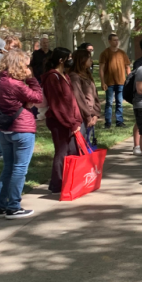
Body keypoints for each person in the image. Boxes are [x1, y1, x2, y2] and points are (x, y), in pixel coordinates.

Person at [0, 49, 44, 219]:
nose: (26, 68)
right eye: (25, 65)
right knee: (19, 169)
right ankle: (13, 206)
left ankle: (1, 206)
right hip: (22, 129)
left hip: (4, 129)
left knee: (8, 167)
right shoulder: (16, 84)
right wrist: (31, 78)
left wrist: (24, 101)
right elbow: (38, 97)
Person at [41, 48, 83, 194]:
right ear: (61, 60)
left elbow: (71, 100)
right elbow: (58, 104)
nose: (71, 60)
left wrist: (77, 120)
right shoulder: (53, 77)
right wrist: (71, 123)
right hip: (59, 121)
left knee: (72, 151)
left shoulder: (64, 75)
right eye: (69, 57)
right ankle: (57, 183)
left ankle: (70, 180)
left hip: (71, 121)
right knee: (62, 152)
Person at [69, 48, 102, 145]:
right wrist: (88, 116)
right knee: (79, 145)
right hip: (82, 116)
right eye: (89, 58)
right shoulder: (74, 76)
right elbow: (79, 98)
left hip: (91, 115)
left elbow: (94, 95)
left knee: (87, 145)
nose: (91, 61)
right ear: (82, 60)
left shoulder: (87, 75)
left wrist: (95, 114)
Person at [99, 33, 130, 129]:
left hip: (121, 82)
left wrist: (129, 79)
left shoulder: (122, 53)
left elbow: (127, 67)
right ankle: (107, 122)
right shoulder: (105, 53)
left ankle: (119, 121)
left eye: (117, 40)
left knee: (119, 102)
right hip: (109, 83)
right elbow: (101, 68)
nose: (116, 42)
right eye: (114, 40)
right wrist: (102, 81)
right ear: (109, 41)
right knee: (109, 103)